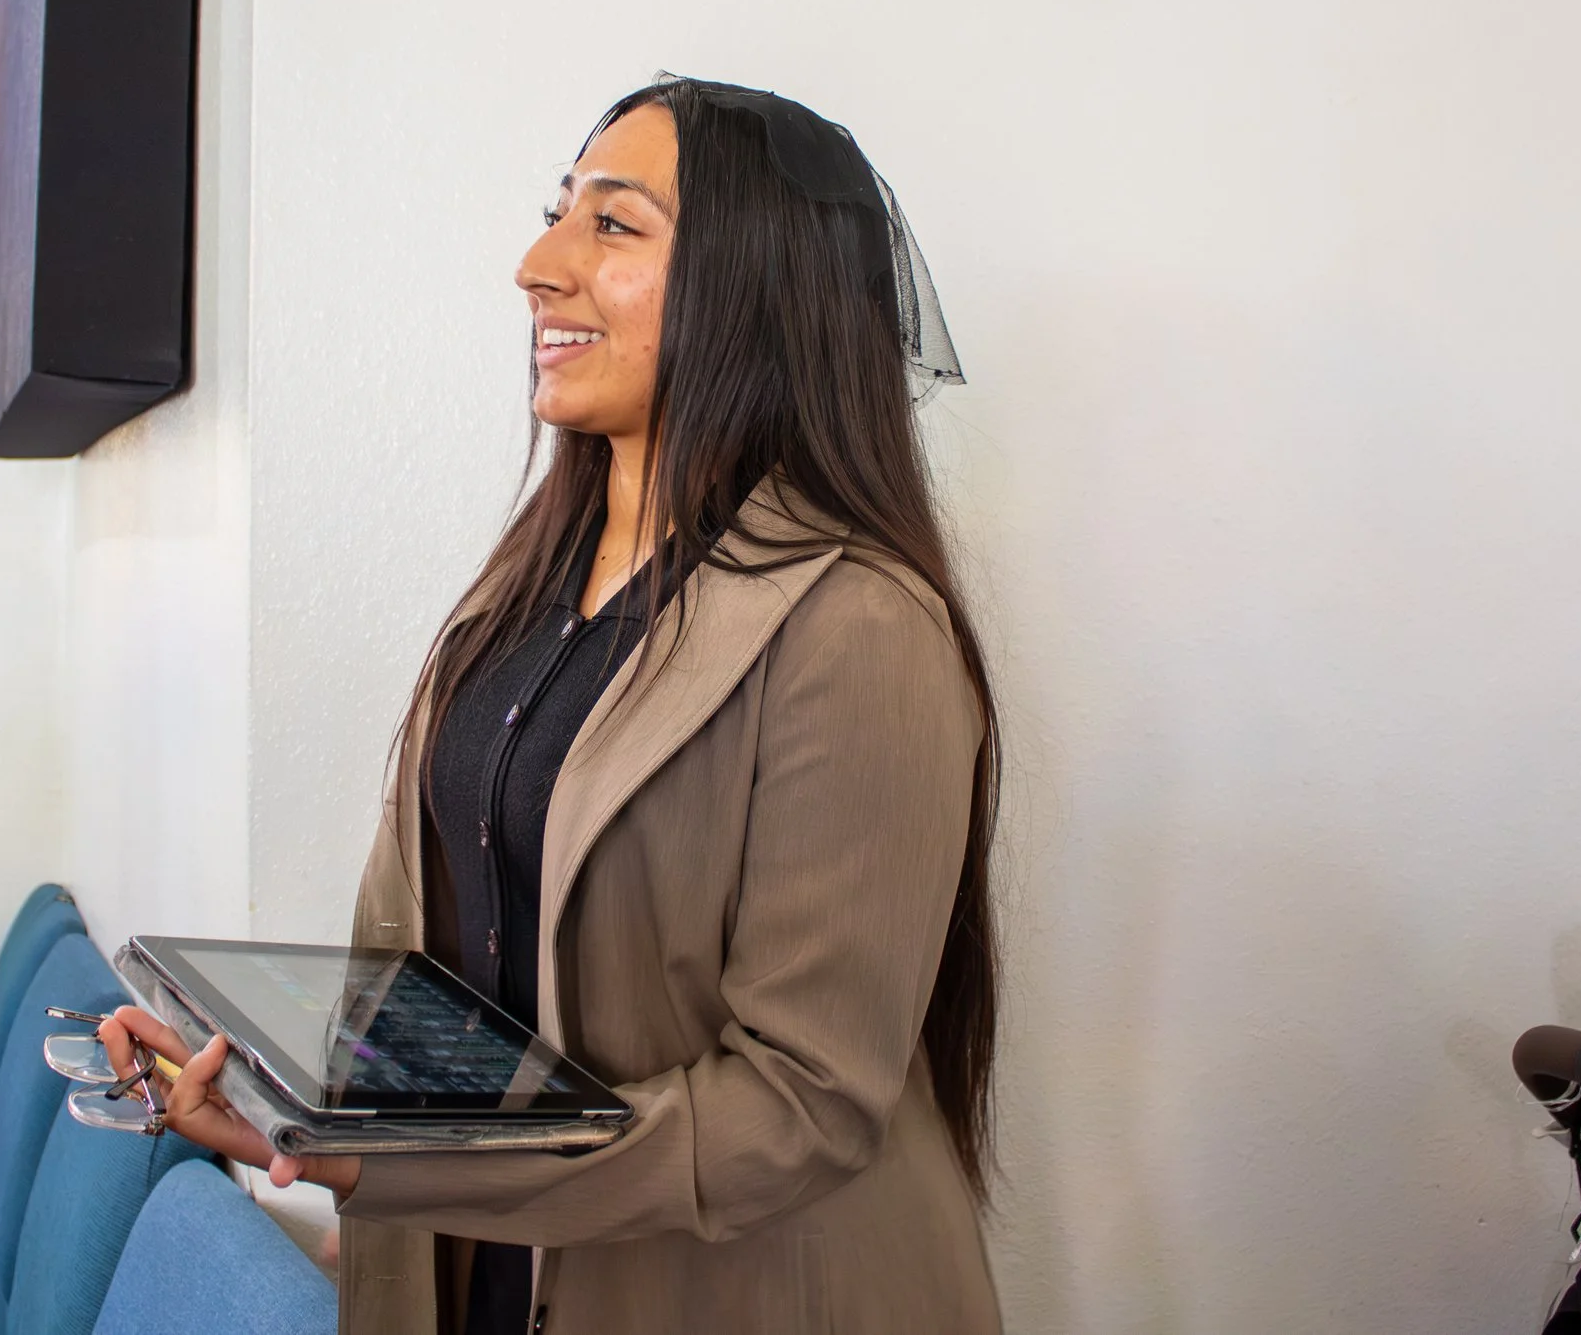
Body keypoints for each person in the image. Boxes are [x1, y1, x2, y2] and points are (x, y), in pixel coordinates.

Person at [102, 76, 1004, 1334]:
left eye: (613, 226)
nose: (538, 265)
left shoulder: (857, 626)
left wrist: (380, 1160)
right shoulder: (521, 592)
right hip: (473, 1271)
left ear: (754, 285)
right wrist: (275, 1080)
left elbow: (802, 1102)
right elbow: (429, 956)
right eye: (554, 216)